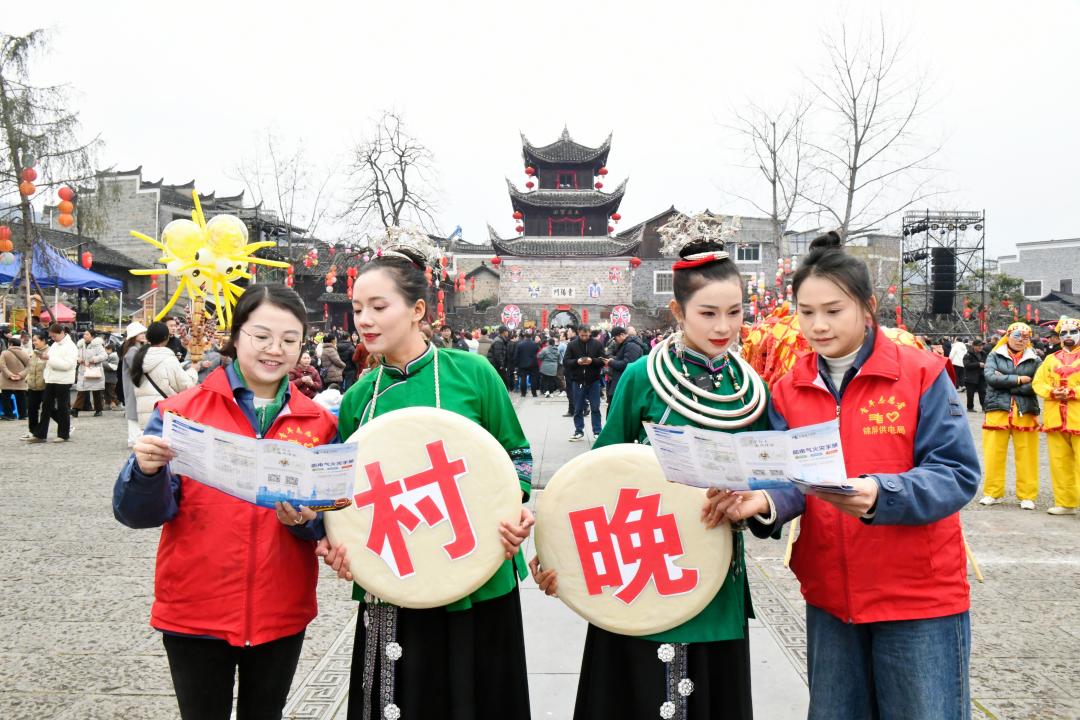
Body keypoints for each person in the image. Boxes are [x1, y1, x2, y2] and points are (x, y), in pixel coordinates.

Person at [727, 232, 981, 720]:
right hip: (830, 597)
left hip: (917, 599)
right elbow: (790, 479)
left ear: (866, 308)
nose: (817, 325)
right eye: (806, 312)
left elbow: (955, 474)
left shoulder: (921, 373)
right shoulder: (789, 389)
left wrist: (879, 493)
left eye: (833, 310)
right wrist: (762, 502)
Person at [531, 227, 770, 720]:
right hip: (636, 562)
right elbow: (594, 476)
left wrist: (753, 499)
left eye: (734, 312)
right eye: (708, 313)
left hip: (712, 570)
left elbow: (770, 482)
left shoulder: (751, 392)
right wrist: (556, 555)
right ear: (678, 312)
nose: (723, 325)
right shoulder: (642, 376)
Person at [326, 242, 535, 719]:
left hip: (475, 565)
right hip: (395, 573)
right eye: (358, 308)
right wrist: (333, 539)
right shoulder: (359, 398)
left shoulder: (472, 373)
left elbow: (517, 459)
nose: (365, 320)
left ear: (419, 310)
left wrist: (515, 510)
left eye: (379, 307)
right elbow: (346, 496)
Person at [113, 285, 337, 720]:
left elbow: (331, 519)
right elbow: (137, 513)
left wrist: (309, 521)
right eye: (261, 336)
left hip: (281, 610)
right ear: (236, 337)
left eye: (290, 340)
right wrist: (146, 470)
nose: (275, 350)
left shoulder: (320, 423)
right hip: (195, 610)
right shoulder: (182, 411)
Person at [979, 322, 1042, 509]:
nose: (1021, 340)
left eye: (1026, 337)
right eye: (1017, 335)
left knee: (1028, 455)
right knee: (993, 454)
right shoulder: (994, 355)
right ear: (1008, 335)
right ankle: (992, 492)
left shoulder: (1035, 359)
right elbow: (991, 378)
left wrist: (1005, 381)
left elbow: (1036, 384)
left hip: (1025, 411)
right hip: (997, 409)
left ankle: (1027, 495)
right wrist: (1019, 379)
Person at [1032, 316, 1080, 516]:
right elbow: (1037, 382)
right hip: (1055, 419)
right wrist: (1051, 392)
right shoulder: (1050, 359)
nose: (1068, 337)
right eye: (1063, 333)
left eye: (1073, 332)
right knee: (1059, 462)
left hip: (1077, 418)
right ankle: (1065, 502)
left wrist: (1072, 392)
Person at [130, 322, 196, 429]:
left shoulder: (140, 357)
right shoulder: (168, 359)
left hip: (145, 416)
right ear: (166, 338)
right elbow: (185, 385)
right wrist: (193, 371)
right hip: (163, 416)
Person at [28, 323, 78, 443]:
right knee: (45, 407)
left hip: (63, 380)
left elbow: (68, 365)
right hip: (51, 379)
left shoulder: (71, 346)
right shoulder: (55, 345)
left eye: (54, 336)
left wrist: (49, 359)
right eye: (51, 336)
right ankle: (40, 434)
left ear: (61, 333)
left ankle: (63, 433)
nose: (52, 338)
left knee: (62, 407)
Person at [563, 324, 605, 441]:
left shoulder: (597, 344)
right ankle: (578, 431)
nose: (584, 337)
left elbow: (603, 360)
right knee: (578, 408)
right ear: (578, 333)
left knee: (595, 407)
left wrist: (592, 361)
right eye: (582, 335)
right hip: (578, 380)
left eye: (586, 335)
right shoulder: (572, 345)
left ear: (590, 333)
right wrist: (577, 362)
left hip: (594, 381)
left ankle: (597, 431)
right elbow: (566, 361)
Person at [604, 326, 644, 414]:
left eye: (615, 338)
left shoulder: (632, 345)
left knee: (618, 411)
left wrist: (611, 362)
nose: (615, 341)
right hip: (620, 381)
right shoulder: (626, 344)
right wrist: (613, 359)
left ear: (622, 335)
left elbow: (628, 364)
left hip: (625, 383)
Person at [121, 322, 148, 447]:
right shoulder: (133, 350)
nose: (143, 335)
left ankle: (134, 438)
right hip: (134, 385)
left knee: (135, 411)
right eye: (140, 333)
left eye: (143, 333)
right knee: (133, 412)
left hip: (134, 384)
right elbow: (137, 368)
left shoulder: (135, 348)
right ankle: (134, 439)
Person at [72, 330, 108, 417]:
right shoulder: (81, 345)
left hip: (94, 370)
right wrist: (78, 359)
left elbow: (104, 355)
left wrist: (93, 359)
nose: (85, 335)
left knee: (96, 392)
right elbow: (76, 355)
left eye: (87, 334)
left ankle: (98, 410)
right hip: (83, 370)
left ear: (92, 336)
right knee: (81, 390)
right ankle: (75, 409)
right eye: (84, 334)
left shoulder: (97, 345)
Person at [22, 332, 48, 439]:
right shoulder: (34, 353)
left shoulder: (49, 352)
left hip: (45, 386)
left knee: (49, 410)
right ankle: (32, 431)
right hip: (33, 386)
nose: (34, 342)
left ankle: (65, 425)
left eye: (36, 340)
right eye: (33, 340)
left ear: (43, 340)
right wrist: (27, 378)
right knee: (32, 409)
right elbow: (30, 367)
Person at [0, 332, 29, 421]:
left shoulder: (5, 353)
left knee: (6, 397)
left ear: (10, 344)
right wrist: (21, 375)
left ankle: (9, 415)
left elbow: (2, 366)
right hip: (20, 380)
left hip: (6, 380)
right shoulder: (25, 353)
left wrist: (10, 375)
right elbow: (29, 366)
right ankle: (23, 415)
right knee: (21, 397)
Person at [962, 338, 987, 412]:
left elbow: (987, 362)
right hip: (970, 377)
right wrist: (978, 364)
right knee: (970, 393)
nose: (981, 347)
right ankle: (970, 408)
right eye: (979, 346)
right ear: (973, 346)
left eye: (982, 345)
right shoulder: (968, 354)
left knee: (983, 392)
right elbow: (966, 365)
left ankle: (984, 407)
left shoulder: (983, 353)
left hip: (981, 376)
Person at [514, 329, 541, 398]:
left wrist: (516, 364)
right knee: (533, 379)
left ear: (524, 337)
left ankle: (523, 393)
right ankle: (534, 393)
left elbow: (516, 355)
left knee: (523, 379)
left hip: (522, 364)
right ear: (531, 337)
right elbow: (538, 353)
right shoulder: (535, 344)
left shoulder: (520, 344)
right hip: (533, 364)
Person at [488, 325, 512, 390]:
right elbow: (498, 355)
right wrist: (502, 365)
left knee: (502, 381)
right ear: (504, 332)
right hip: (497, 365)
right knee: (502, 381)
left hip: (498, 364)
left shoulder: (501, 340)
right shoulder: (499, 341)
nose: (508, 333)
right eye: (507, 331)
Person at [103, 339, 121, 410]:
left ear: (110, 349)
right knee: (107, 393)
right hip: (108, 378)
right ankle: (108, 404)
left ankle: (118, 404)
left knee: (112, 393)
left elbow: (113, 367)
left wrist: (102, 363)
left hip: (111, 379)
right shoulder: (110, 355)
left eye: (106, 349)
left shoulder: (113, 356)